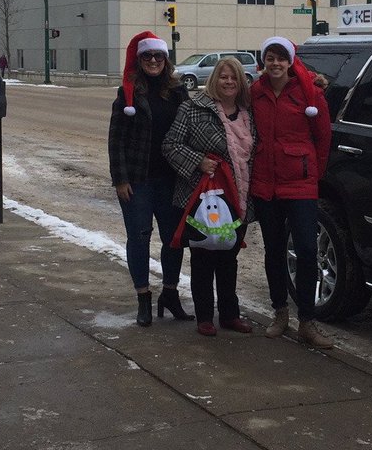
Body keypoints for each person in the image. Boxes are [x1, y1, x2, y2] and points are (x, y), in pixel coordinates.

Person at [163, 57, 257, 337]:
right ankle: (204, 316)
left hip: (239, 195)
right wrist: (198, 161)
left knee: (229, 259)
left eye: (234, 77)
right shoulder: (193, 109)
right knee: (203, 258)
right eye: (224, 77)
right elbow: (170, 145)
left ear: (241, 82)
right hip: (202, 196)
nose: (229, 82)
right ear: (214, 79)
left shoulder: (248, 114)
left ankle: (230, 314)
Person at [250, 36, 333, 349]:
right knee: (273, 250)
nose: (275, 63)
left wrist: (313, 174)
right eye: (270, 58)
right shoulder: (255, 92)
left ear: (290, 61)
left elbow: (323, 138)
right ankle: (280, 312)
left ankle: (307, 322)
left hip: (300, 183)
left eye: (281, 58)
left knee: (307, 251)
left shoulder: (309, 93)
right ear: (264, 61)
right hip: (266, 183)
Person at [108, 32, 192, 326]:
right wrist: (120, 179)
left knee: (174, 239)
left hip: (172, 180)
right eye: (147, 56)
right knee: (139, 237)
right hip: (138, 180)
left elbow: (193, 127)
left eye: (158, 56)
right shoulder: (128, 94)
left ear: (165, 60)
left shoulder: (178, 92)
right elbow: (116, 140)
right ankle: (143, 297)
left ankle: (170, 293)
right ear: (139, 59)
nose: (153, 61)